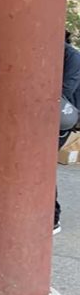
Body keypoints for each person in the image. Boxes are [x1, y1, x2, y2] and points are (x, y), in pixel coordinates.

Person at [54, 32, 80, 233]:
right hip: (55, 113)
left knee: (43, 162)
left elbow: (67, 89)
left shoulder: (71, 56)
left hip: (64, 115)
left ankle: (54, 215)